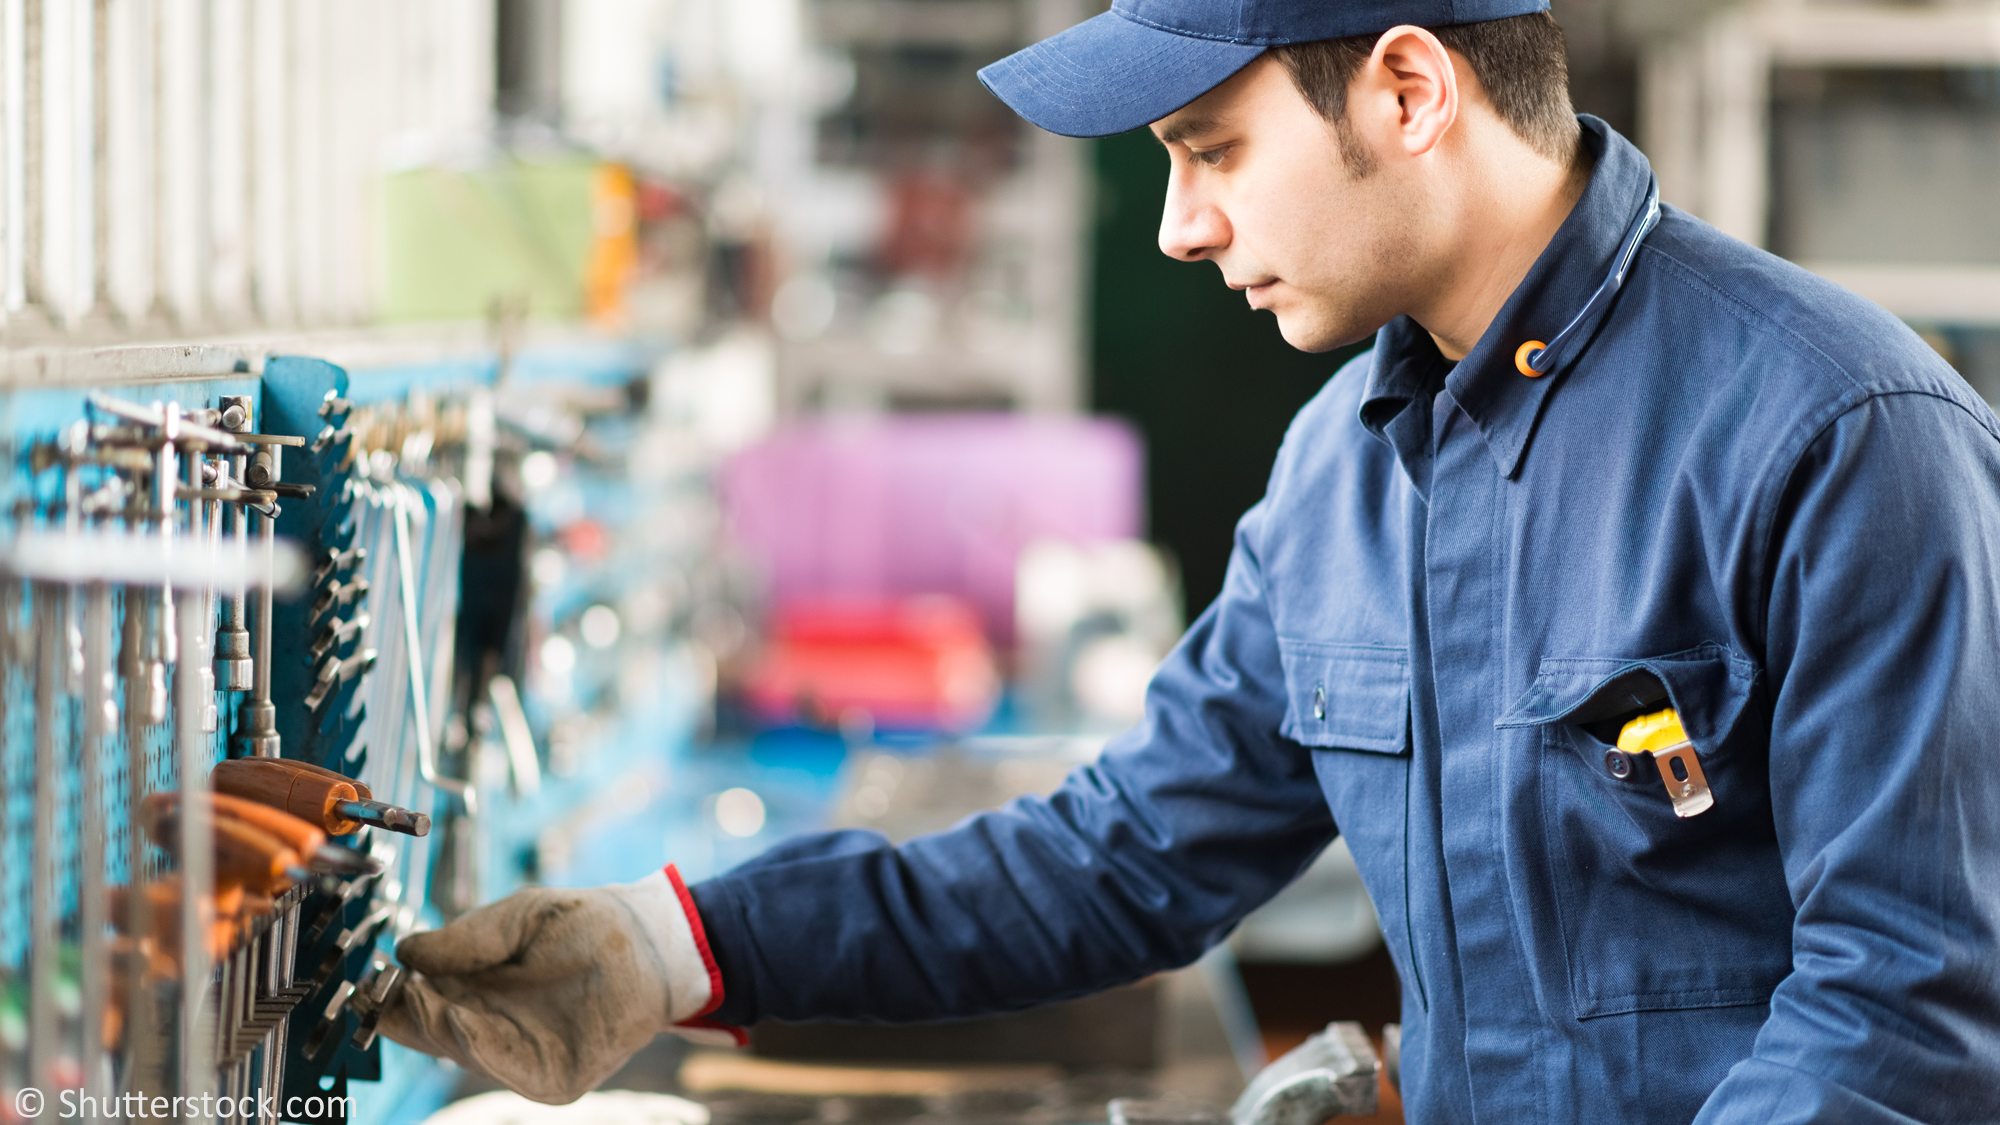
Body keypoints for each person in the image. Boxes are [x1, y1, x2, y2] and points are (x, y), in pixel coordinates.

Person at [381, 2, 2000, 1121]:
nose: (1178, 224)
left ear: (1411, 91)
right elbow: (1118, 857)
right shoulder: (1339, 483)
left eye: (1211, 147)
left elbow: (1906, 1010)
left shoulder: (1840, 434)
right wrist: (669, 948)